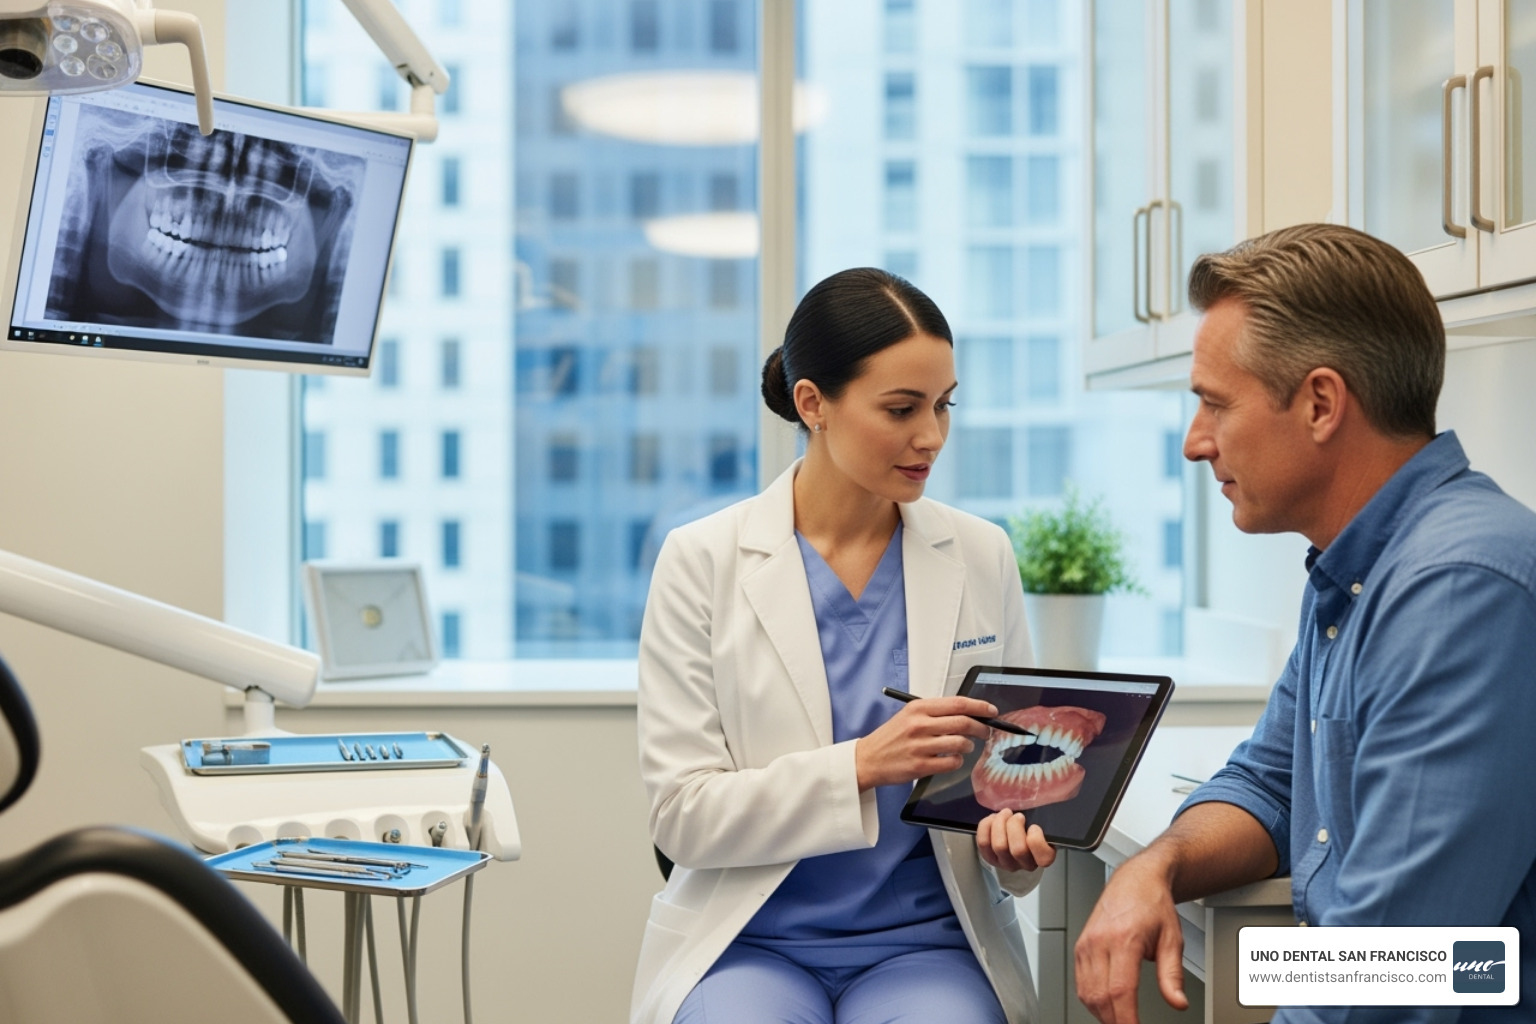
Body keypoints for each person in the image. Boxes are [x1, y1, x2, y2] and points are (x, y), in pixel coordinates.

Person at [1073, 223, 1536, 1024]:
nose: (1195, 443)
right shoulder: (1356, 568)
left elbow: (1391, 972)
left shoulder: (1459, 587)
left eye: (1215, 403)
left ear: (1321, 402)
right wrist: (1155, 867)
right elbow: (1268, 784)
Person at [631, 268, 1056, 1024]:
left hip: (930, 946)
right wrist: (861, 764)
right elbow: (681, 814)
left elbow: (1012, 771)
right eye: (901, 409)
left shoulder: (982, 553)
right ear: (812, 403)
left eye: (943, 406)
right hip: (749, 941)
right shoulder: (703, 559)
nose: (931, 436)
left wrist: (1016, 843)